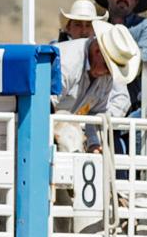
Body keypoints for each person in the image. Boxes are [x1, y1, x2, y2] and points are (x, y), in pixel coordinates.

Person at [53, 20, 140, 152]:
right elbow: (43, 106)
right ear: (98, 51)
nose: (109, 73)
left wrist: (94, 143)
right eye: (108, 67)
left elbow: (95, 113)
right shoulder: (67, 64)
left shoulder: (105, 75)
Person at [90, 0, 147, 114]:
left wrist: (107, 57)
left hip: (134, 109)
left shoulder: (146, 27)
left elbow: (145, 57)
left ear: (136, 1)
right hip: (95, 104)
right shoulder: (94, 26)